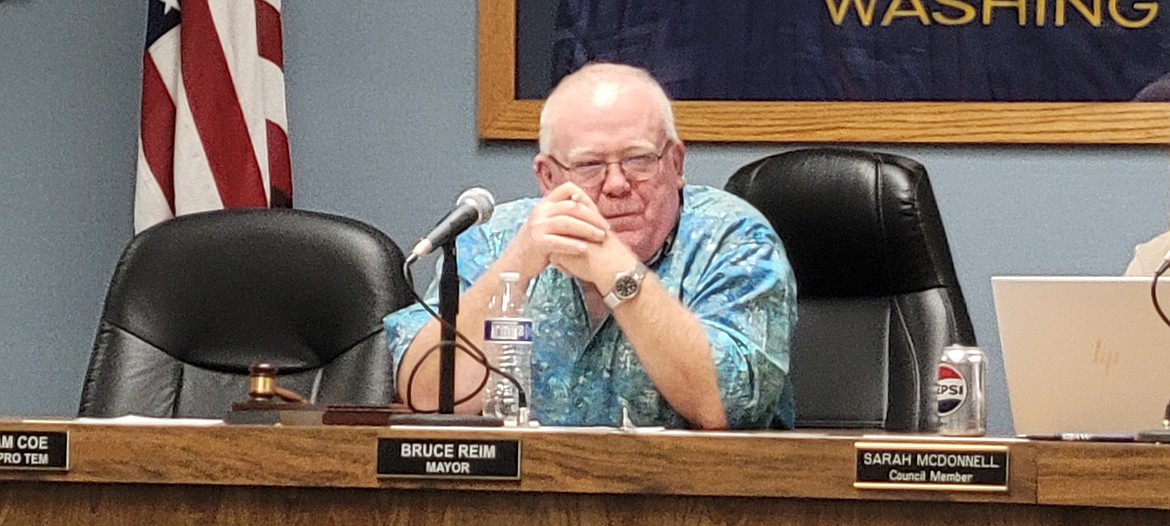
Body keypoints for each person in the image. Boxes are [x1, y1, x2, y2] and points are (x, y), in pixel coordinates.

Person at [383, 63, 796, 429]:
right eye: (589, 166)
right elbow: (426, 395)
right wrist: (518, 266)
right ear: (548, 179)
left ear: (675, 164)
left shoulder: (734, 239)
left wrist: (617, 271)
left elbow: (729, 406)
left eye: (638, 160)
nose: (617, 185)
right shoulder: (494, 239)